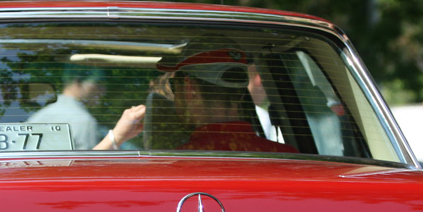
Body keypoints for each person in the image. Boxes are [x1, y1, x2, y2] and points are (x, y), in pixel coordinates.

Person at [101, 45, 296, 153]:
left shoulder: (171, 168)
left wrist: (114, 139)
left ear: (189, 89)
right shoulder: (290, 160)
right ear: (240, 92)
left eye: (173, 86)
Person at [26, 66, 106, 150]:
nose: (103, 90)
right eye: (98, 84)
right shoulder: (83, 120)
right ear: (78, 82)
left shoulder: (38, 116)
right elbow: (88, 161)